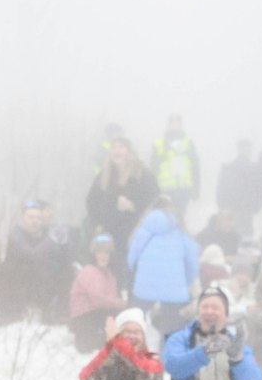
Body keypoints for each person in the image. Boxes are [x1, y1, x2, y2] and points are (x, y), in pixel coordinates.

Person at [85, 137, 158, 279]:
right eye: (114, 147)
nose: (117, 150)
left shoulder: (143, 174)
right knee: (113, 270)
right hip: (110, 231)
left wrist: (133, 205)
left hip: (135, 230)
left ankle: (133, 298)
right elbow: (91, 201)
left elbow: (155, 199)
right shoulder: (103, 176)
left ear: (130, 152)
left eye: (121, 147)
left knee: (132, 269)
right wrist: (97, 223)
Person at [126, 198, 201, 335]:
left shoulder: (142, 230)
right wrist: (185, 282)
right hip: (173, 291)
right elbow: (192, 264)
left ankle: (138, 353)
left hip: (144, 289)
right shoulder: (181, 233)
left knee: (137, 328)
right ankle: (167, 353)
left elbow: (131, 260)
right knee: (172, 333)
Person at [68, 232, 124, 352]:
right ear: (93, 254)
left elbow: (110, 299)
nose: (103, 256)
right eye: (99, 252)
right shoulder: (89, 271)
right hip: (84, 315)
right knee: (85, 346)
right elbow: (99, 300)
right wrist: (122, 303)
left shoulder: (109, 274)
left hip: (99, 314)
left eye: (107, 253)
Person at [151, 114, 199, 217]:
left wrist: (196, 188)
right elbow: (153, 166)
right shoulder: (159, 143)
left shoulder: (189, 142)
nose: (175, 126)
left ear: (181, 125)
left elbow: (195, 167)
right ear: (168, 125)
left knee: (180, 218)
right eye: (172, 123)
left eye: (177, 123)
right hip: (165, 189)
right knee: (165, 217)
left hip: (184, 189)